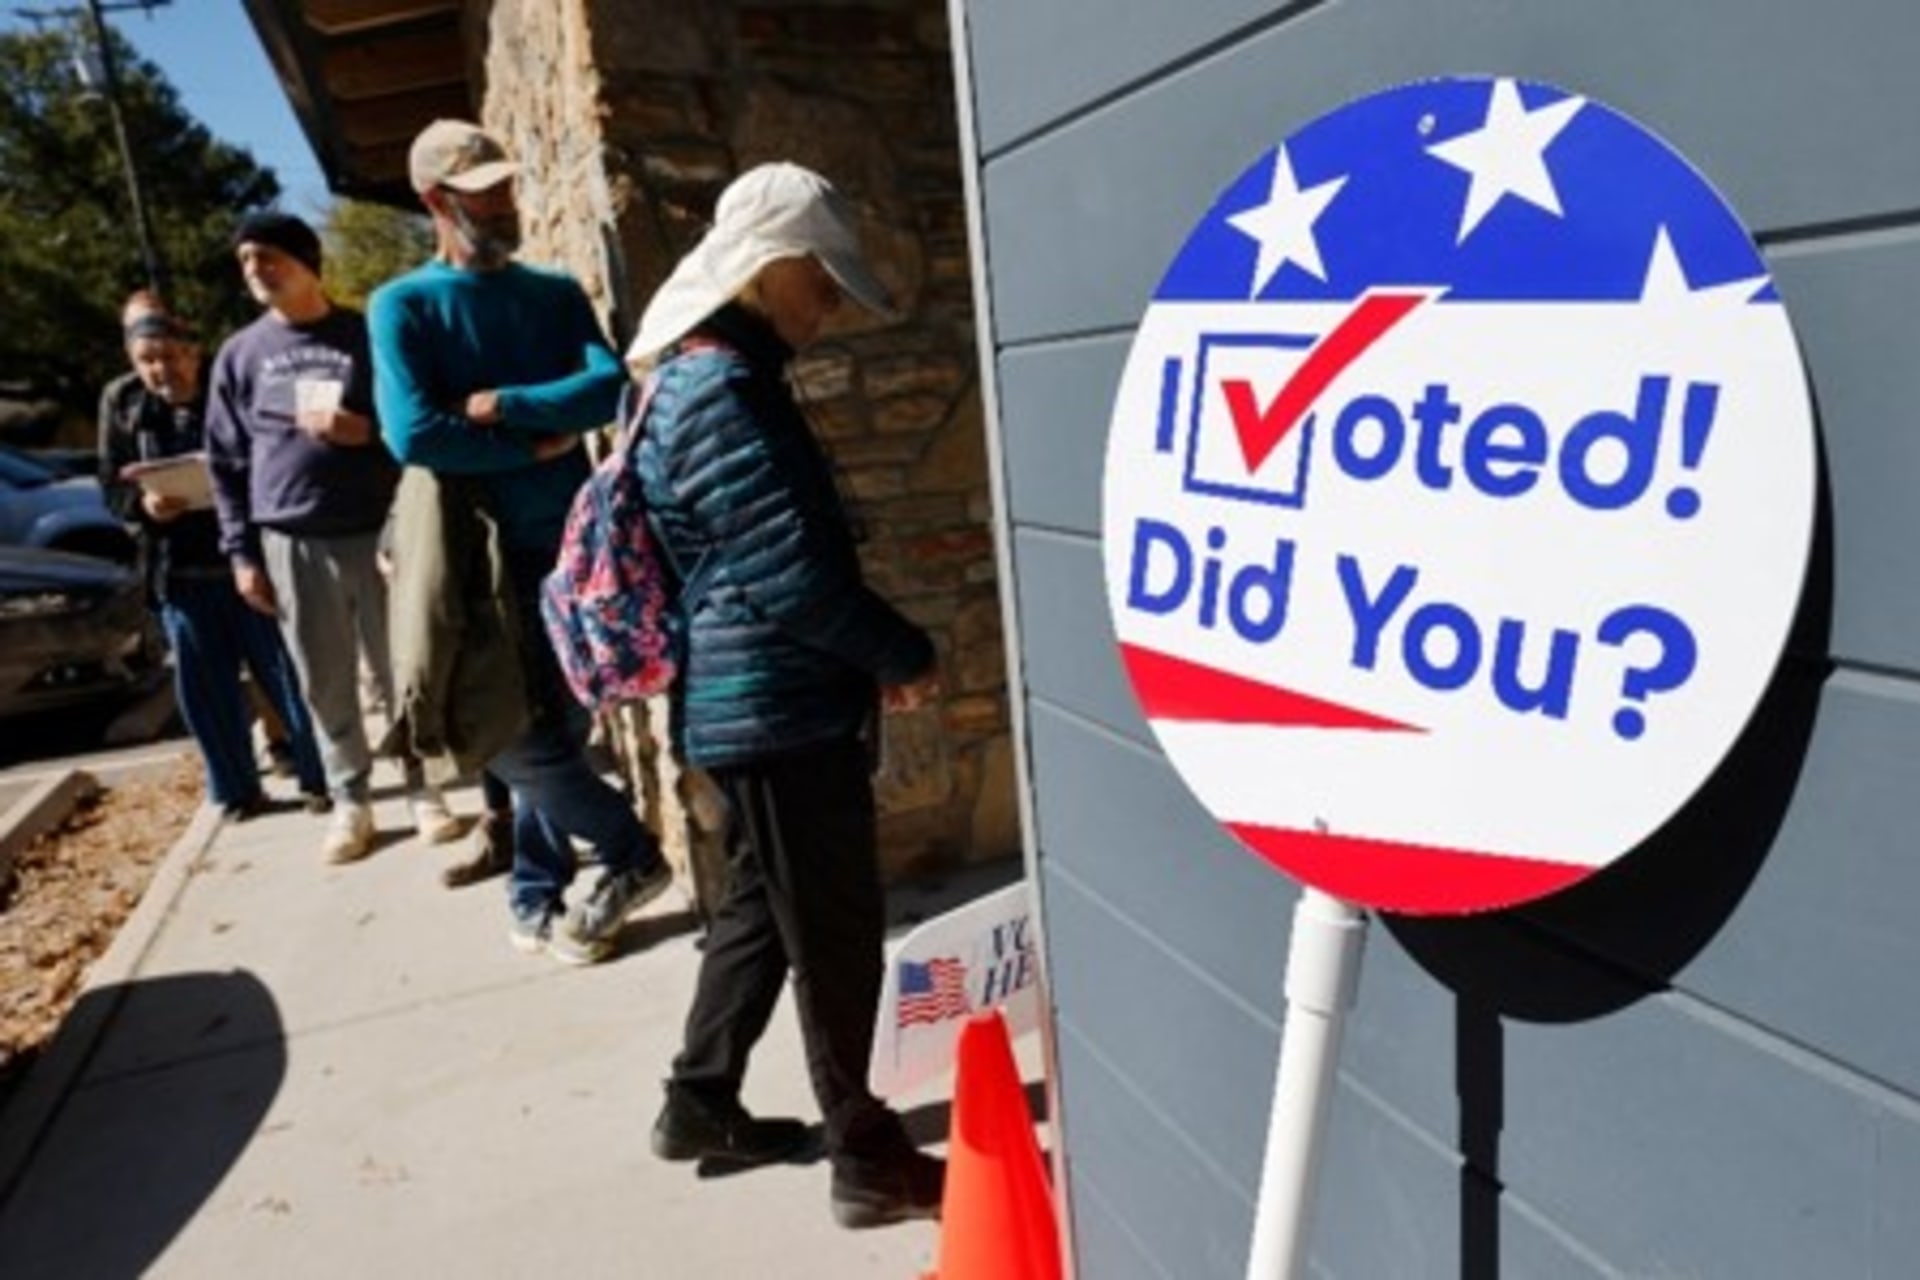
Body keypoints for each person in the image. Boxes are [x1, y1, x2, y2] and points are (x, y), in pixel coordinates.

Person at [626, 163, 944, 1229]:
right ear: (771, 270)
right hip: (777, 706)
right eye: (824, 281)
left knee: (764, 906)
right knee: (838, 934)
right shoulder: (721, 388)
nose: (834, 304)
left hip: (756, 705)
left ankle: (698, 1099)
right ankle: (866, 1153)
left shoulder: (714, 373)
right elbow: (792, 573)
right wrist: (898, 651)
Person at [369, 119, 671, 961]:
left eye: (506, 186)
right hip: (474, 563)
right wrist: (533, 439)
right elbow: (413, 433)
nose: (505, 203)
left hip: (575, 549)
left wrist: (504, 407)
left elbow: (607, 386)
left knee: (562, 732)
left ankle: (536, 891)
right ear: (435, 202)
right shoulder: (404, 306)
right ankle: (630, 852)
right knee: (497, 731)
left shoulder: (552, 291)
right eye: (483, 193)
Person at [206, 211, 461, 864]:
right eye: (245, 261)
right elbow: (227, 463)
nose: (256, 271)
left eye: (268, 257)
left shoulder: (363, 335)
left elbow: (411, 426)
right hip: (290, 536)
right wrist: (240, 553)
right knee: (323, 676)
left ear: (305, 260)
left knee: (401, 665)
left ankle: (422, 788)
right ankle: (352, 799)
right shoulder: (240, 355)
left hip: (376, 528)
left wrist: (364, 432)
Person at [99, 293, 327, 819]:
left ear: (193, 353)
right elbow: (111, 484)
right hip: (179, 570)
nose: (161, 370)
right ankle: (237, 791)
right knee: (206, 691)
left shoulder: (230, 389)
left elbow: (279, 454)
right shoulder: (124, 403)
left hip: (248, 560)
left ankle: (320, 778)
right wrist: (146, 505)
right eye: (147, 360)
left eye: (170, 356)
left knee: (286, 676)